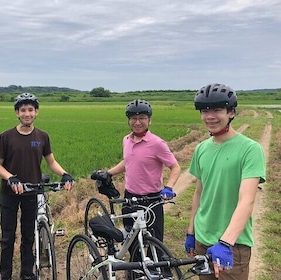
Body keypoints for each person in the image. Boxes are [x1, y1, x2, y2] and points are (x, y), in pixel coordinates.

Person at [185, 83, 266, 279]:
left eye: (217, 110)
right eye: (205, 111)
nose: (210, 116)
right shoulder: (201, 148)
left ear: (231, 112)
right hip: (202, 241)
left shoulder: (250, 149)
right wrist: (191, 232)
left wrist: (226, 242)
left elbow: (247, 200)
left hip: (232, 245)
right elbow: (199, 193)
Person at [0, 92, 75, 280]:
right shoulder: (6, 137)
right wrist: (11, 178)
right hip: (9, 192)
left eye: (31, 110)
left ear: (36, 112)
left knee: (29, 236)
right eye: (23, 110)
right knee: (7, 238)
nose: (27, 114)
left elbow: (51, 162)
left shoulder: (42, 137)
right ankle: (5, 275)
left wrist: (64, 174)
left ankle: (27, 274)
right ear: (17, 113)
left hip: (32, 191)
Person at [98, 99, 181, 242]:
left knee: (155, 242)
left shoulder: (157, 143)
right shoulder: (126, 140)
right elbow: (129, 162)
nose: (137, 122)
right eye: (133, 118)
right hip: (130, 197)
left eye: (142, 118)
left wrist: (168, 187)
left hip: (152, 199)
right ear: (129, 121)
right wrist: (109, 173)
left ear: (149, 121)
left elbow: (175, 167)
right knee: (132, 241)